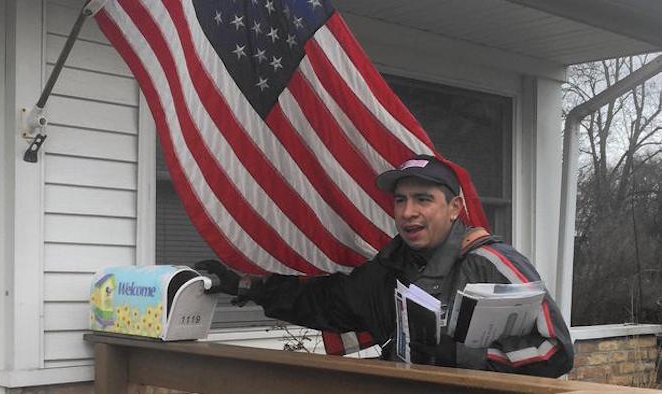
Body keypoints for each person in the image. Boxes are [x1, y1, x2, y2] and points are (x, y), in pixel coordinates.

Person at [199, 154, 573, 377]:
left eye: (423, 199)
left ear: (454, 208)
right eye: (400, 201)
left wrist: (457, 356)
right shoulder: (388, 270)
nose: (408, 212)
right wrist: (246, 285)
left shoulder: (493, 262)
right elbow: (324, 302)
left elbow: (555, 350)